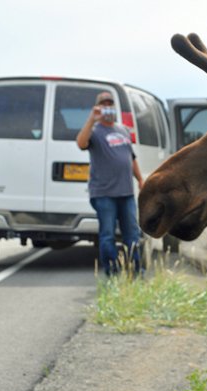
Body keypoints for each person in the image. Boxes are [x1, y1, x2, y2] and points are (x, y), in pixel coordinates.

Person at [76, 91, 144, 276]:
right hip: (104, 194)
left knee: (132, 234)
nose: (108, 107)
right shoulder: (95, 131)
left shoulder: (122, 130)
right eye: (103, 104)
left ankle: (136, 270)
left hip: (126, 193)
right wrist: (92, 119)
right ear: (97, 107)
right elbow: (81, 144)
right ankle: (112, 271)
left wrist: (140, 179)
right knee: (107, 235)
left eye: (110, 104)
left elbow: (131, 158)